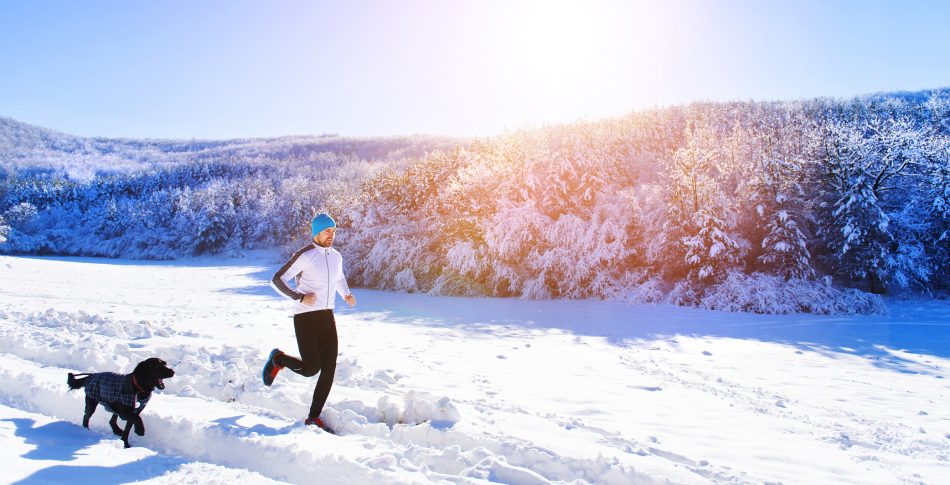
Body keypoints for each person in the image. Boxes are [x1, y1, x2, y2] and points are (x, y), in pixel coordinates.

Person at [262, 213, 356, 431]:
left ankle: (313, 417)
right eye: (327, 231)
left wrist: (346, 294)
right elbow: (277, 280)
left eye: (334, 231)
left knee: (329, 368)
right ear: (316, 232)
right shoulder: (305, 255)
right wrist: (299, 297)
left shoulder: (336, 256)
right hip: (305, 317)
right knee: (310, 369)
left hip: (327, 316)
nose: (331, 235)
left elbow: (339, 277)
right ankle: (278, 359)